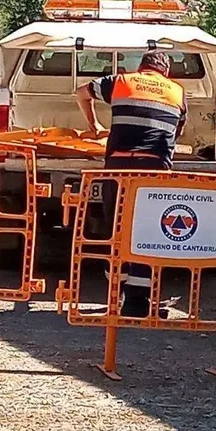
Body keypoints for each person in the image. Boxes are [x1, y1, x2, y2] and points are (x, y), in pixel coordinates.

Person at [76, 51, 187, 317]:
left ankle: (118, 291)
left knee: (116, 226)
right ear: (166, 73)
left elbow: (81, 92)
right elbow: (177, 130)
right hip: (153, 169)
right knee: (147, 231)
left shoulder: (122, 81)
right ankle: (137, 302)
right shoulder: (177, 93)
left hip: (118, 166)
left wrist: (95, 125)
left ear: (141, 68)